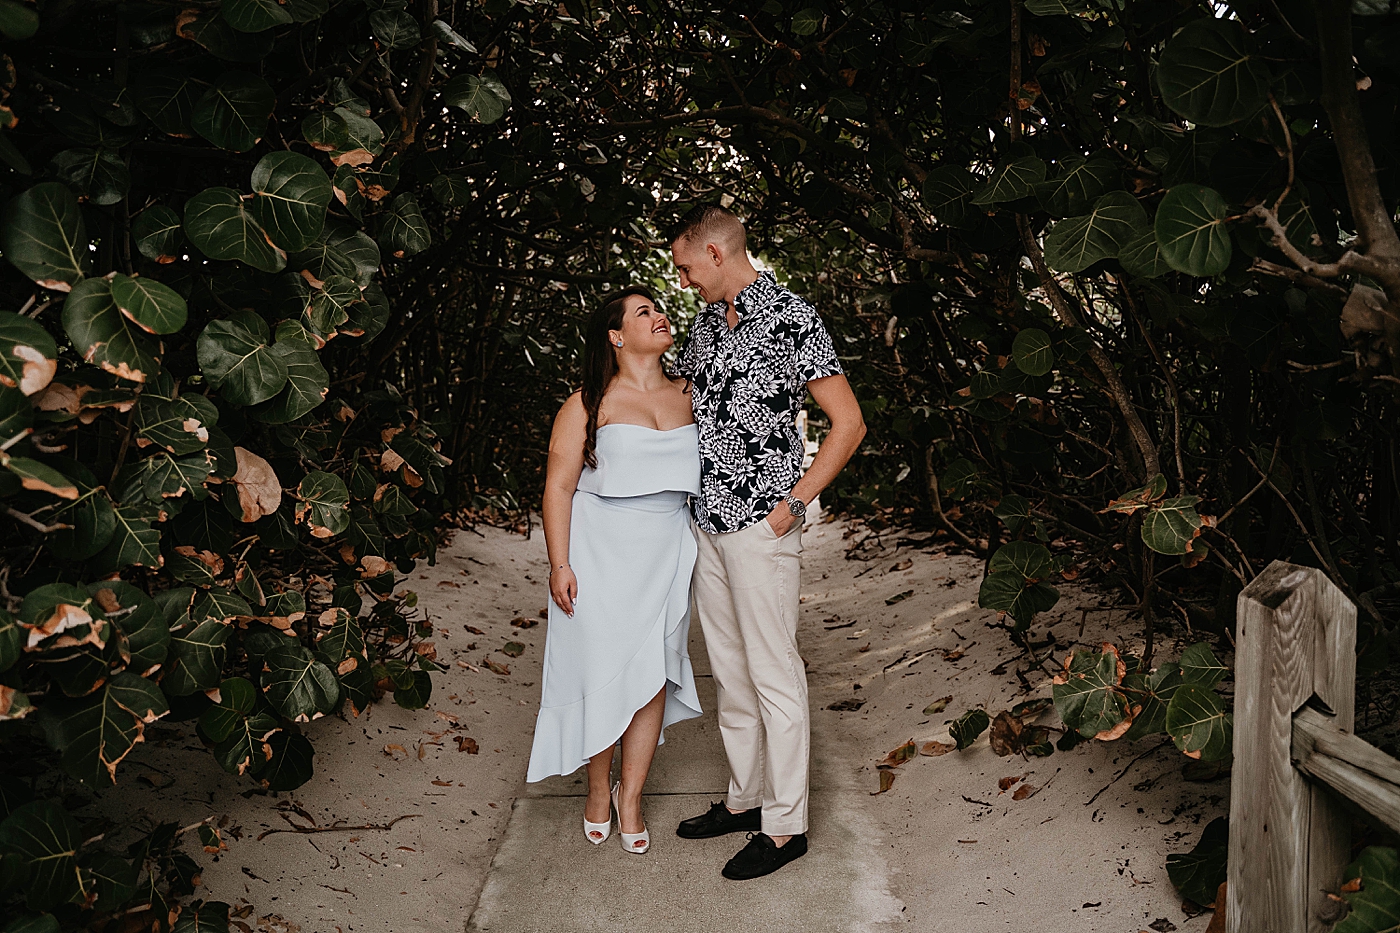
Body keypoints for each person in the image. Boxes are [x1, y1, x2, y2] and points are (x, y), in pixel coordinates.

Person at [669, 205, 866, 880]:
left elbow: (848, 423)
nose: (684, 279)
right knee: (729, 669)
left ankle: (785, 828)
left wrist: (794, 504)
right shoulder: (700, 327)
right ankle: (745, 798)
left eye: (687, 266)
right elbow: (674, 404)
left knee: (775, 672)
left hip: (762, 524)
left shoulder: (793, 317)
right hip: (708, 522)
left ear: (717, 254)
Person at [525, 286, 703, 856]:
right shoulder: (585, 402)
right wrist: (560, 563)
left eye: (659, 308)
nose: (659, 316)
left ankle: (633, 798)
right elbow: (557, 487)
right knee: (601, 670)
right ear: (615, 335)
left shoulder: (693, 395)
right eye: (643, 312)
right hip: (601, 548)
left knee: (651, 675)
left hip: (669, 546)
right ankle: (598, 788)